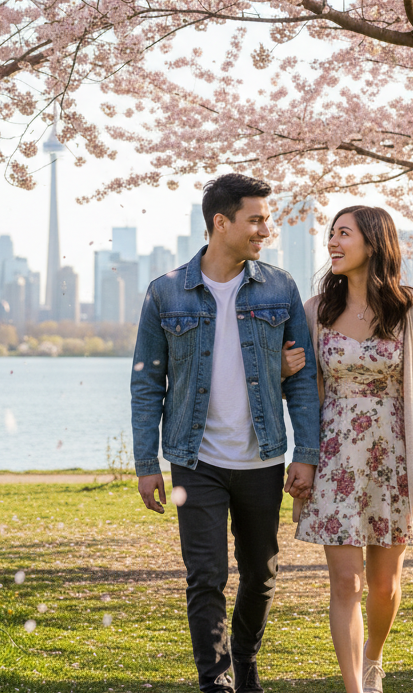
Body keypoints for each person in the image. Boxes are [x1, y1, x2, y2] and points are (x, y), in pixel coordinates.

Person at [131, 173, 323, 693]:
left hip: (262, 459)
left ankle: (245, 658)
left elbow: (302, 379)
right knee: (205, 576)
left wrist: (306, 453)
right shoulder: (166, 292)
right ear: (221, 222)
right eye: (255, 218)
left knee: (261, 575)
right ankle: (215, 680)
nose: (266, 228)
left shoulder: (280, 287)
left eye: (266, 217)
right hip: (195, 460)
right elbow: (147, 382)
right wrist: (146, 463)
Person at [284, 206, 413, 693]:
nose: (333, 241)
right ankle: (355, 686)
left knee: (383, 585)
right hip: (335, 457)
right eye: (331, 234)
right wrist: (286, 369)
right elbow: (302, 390)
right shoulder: (315, 310)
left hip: (393, 457)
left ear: (373, 244)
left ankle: (373, 657)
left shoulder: (411, 308)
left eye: (344, 233)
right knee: (345, 584)